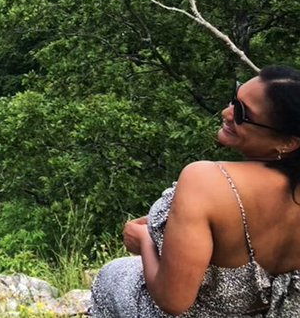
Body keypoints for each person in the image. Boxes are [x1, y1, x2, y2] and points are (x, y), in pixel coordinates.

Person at [91, 66, 300, 317]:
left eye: (242, 113)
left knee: (112, 274)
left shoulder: (207, 180)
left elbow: (174, 301)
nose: (226, 112)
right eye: (234, 99)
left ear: (287, 142)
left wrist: (144, 240)